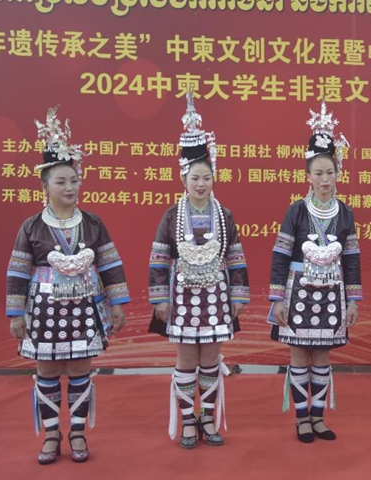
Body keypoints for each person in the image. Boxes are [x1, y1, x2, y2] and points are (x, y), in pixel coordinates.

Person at [6, 106, 129, 464]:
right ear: (45, 186)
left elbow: (110, 264)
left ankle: (76, 432)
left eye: (74, 180)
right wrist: (16, 314)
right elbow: (17, 271)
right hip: (43, 310)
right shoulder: (31, 227)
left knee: (79, 370)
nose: (70, 187)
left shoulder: (93, 223)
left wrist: (117, 303)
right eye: (61, 182)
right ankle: (50, 436)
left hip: (84, 307)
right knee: (46, 371)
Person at [148, 94, 249, 448]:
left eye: (207, 176)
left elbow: (235, 256)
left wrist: (238, 295)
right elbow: (159, 258)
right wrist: (159, 298)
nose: (201, 183)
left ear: (214, 177)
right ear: (183, 178)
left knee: (211, 357)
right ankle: (187, 419)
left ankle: (207, 417)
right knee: (187, 357)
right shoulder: (172, 215)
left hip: (216, 295)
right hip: (182, 296)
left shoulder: (225, 215)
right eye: (195, 177)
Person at [268, 101, 361, 443]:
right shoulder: (295, 211)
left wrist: (353, 301)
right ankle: (301, 418)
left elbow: (351, 261)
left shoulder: (346, 214)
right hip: (299, 292)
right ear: (308, 176)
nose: (325, 179)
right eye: (318, 173)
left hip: (332, 293)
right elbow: (280, 254)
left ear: (338, 173)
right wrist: (277, 297)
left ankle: (319, 417)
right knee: (298, 355)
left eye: (330, 172)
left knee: (322, 355)